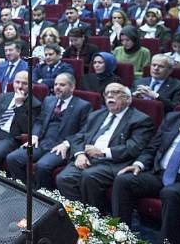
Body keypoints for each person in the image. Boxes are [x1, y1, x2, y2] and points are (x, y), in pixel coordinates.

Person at [111, 84, 180, 244]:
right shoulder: (173, 118)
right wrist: (139, 164)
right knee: (124, 180)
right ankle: (119, 236)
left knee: (170, 193)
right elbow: (152, 147)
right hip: (161, 174)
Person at [55, 83, 155, 212]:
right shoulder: (96, 115)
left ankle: (96, 218)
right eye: (107, 93)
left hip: (113, 162)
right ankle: (78, 216)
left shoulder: (140, 120)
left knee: (90, 176)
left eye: (115, 92)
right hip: (88, 158)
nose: (110, 96)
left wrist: (103, 153)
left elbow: (134, 147)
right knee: (64, 178)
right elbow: (79, 136)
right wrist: (79, 154)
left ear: (128, 99)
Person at [6, 73, 92, 189]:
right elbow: (39, 121)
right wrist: (35, 135)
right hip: (42, 142)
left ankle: (44, 196)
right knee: (13, 158)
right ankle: (25, 189)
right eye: (56, 84)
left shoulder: (83, 106)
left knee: (42, 166)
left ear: (72, 87)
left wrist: (67, 144)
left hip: (61, 147)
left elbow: (84, 131)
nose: (57, 87)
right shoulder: (49, 100)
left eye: (62, 85)